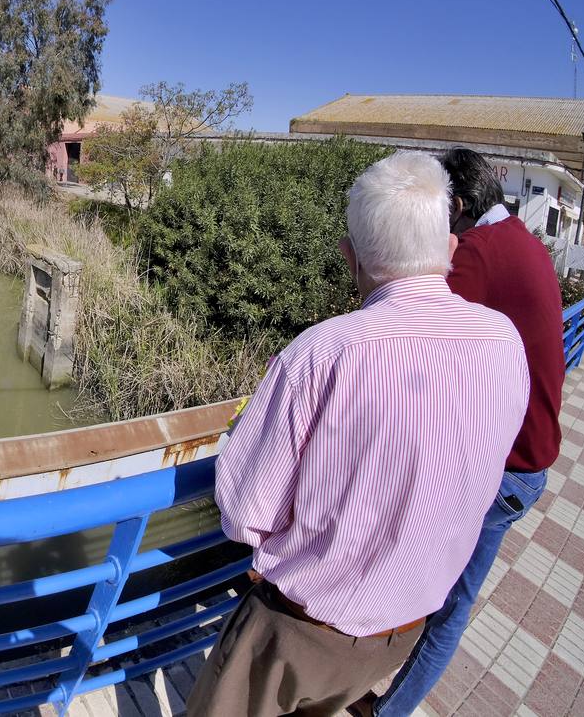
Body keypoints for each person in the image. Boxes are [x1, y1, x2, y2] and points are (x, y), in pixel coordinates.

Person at [186, 151, 530, 717]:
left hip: (298, 629)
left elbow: (245, 511)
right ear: (450, 249)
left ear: (350, 257)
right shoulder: (502, 343)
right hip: (401, 632)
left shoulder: (323, 353)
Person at [361, 148, 564, 716]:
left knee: (438, 600)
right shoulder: (521, 240)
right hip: (529, 460)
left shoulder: (477, 252)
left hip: (506, 468)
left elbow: (409, 328)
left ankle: (381, 707)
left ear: (460, 209)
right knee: (447, 597)